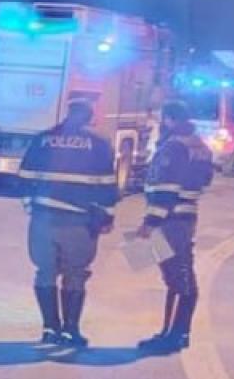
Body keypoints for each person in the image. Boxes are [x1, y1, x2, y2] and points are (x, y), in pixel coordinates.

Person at [18, 99, 118, 349]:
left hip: (43, 220)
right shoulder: (98, 144)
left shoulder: (41, 139)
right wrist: (106, 218)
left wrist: (31, 208)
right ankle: (70, 331)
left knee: (45, 272)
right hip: (78, 222)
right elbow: (107, 187)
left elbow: (23, 179)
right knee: (75, 275)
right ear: (87, 118)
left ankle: (49, 328)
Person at [137, 100, 215, 354]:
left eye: (163, 118)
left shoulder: (174, 147)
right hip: (186, 216)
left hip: (170, 220)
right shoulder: (199, 145)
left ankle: (172, 336)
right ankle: (177, 333)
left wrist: (150, 222)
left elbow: (165, 188)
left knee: (177, 278)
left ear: (170, 118)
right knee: (182, 274)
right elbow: (204, 181)